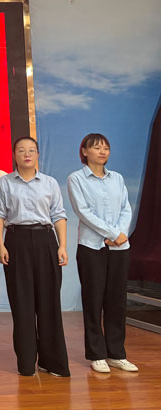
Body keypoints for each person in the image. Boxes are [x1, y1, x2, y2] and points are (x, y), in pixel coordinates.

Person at [0, 137, 70, 377]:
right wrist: (0, 245)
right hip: (16, 241)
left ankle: (52, 361)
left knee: (49, 302)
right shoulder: (4, 183)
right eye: (21, 150)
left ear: (38, 154)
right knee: (22, 302)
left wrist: (62, 246)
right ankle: (26, 363)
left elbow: (58, 215)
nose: (27, 154)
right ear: (14, 154)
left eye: (31, 150)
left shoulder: (50, 183)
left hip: (46, 240)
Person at [67, 133, 137, 373]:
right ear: (84, 151)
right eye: (97, 147)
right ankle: (96, 354)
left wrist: (119, 235)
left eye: (106, 147)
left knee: (117, 301)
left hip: (119, 247)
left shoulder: (117, 178)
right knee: (93, 300)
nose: (102, 151)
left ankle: (116, 353)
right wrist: (111, 232)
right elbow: (83, 211)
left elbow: (126, 208)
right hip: (91, 247)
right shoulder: (76, 178)